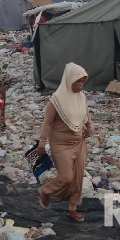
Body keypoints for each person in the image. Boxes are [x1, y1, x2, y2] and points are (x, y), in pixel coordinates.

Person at [37, 63, 92, 222]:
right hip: (60, 143)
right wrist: (42, 143)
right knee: (67, 177)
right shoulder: (56, 100)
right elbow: (47, 123)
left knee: (78, 177)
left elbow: (85, 112)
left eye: (82, 82)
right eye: (77, 82)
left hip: (79, 142)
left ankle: (72, 208)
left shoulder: (81, 96)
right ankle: (46, 190)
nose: (80, 85)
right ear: (68, 81)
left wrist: (90, 126)